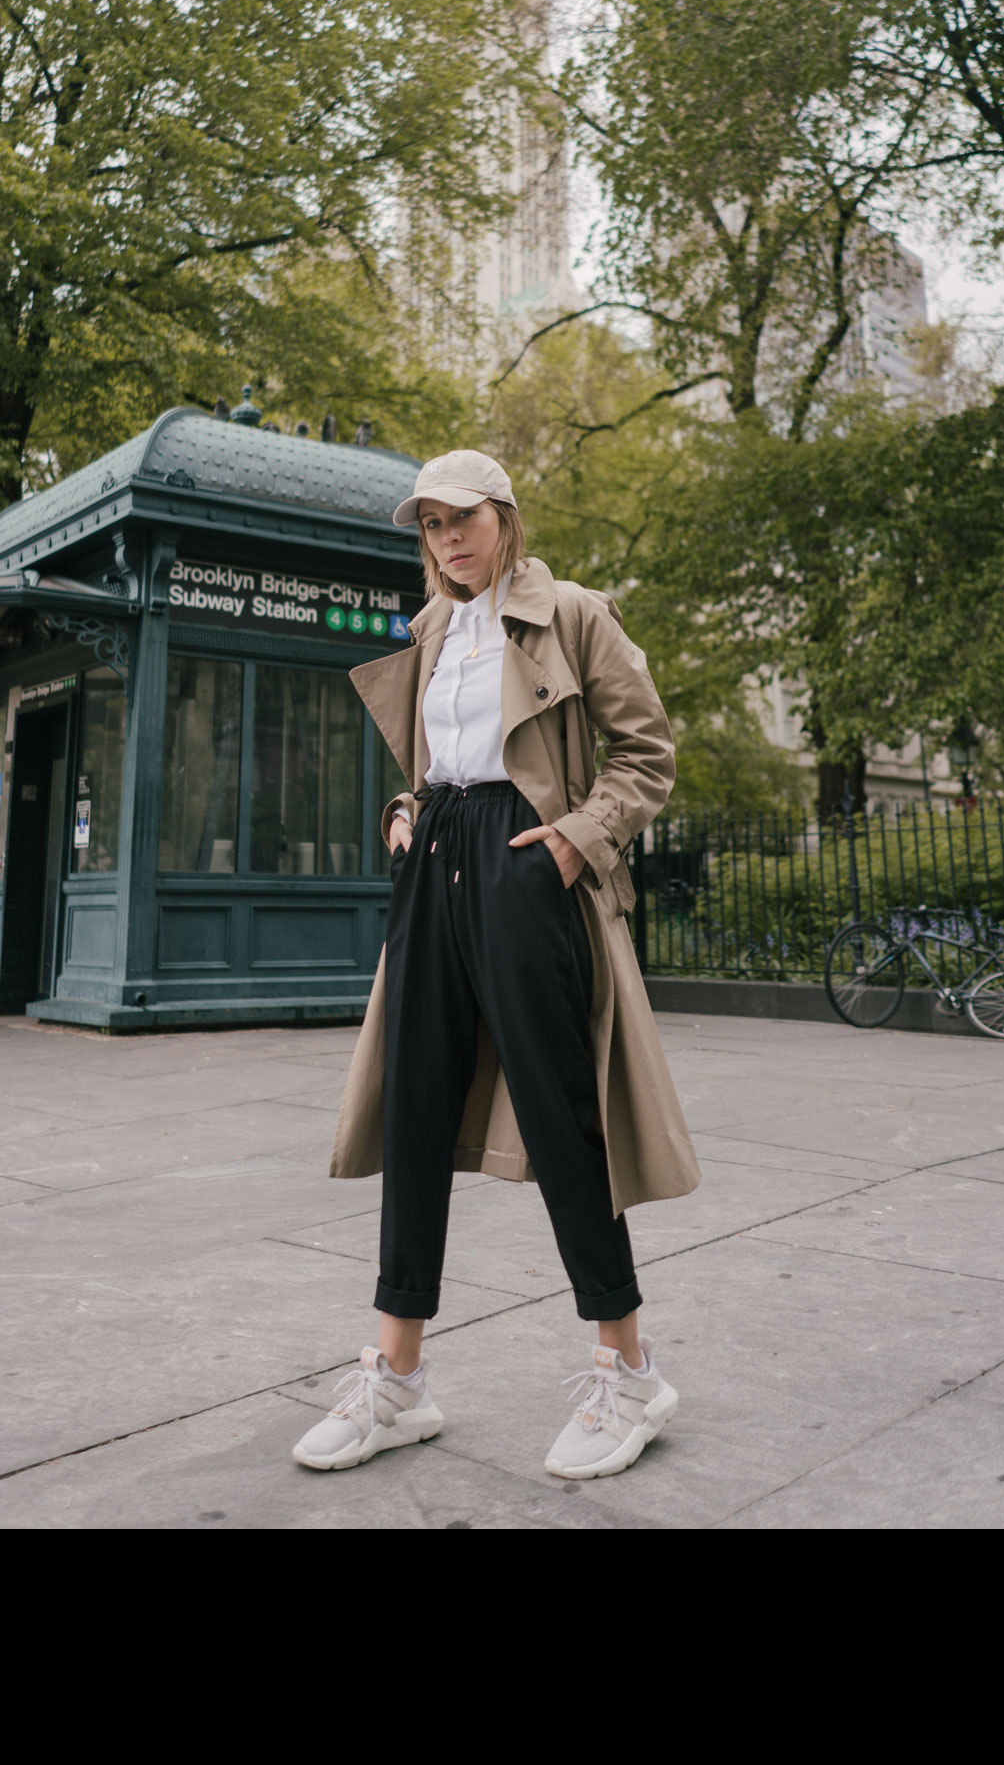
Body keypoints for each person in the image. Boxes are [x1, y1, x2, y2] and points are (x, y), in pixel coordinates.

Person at [292, 449, 701, 1480]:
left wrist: (574, 838)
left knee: (567, 1121)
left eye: (461, 517)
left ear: (503, 516)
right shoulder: (431, 628)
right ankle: (397, 1379)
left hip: (529, 863)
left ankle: (628, 1370)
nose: (446, 538)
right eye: (428, 524)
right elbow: (433, 766)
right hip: (435, 866)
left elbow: (645, 751)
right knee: (414, 1112)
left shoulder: (571, 612)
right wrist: (402, 816)